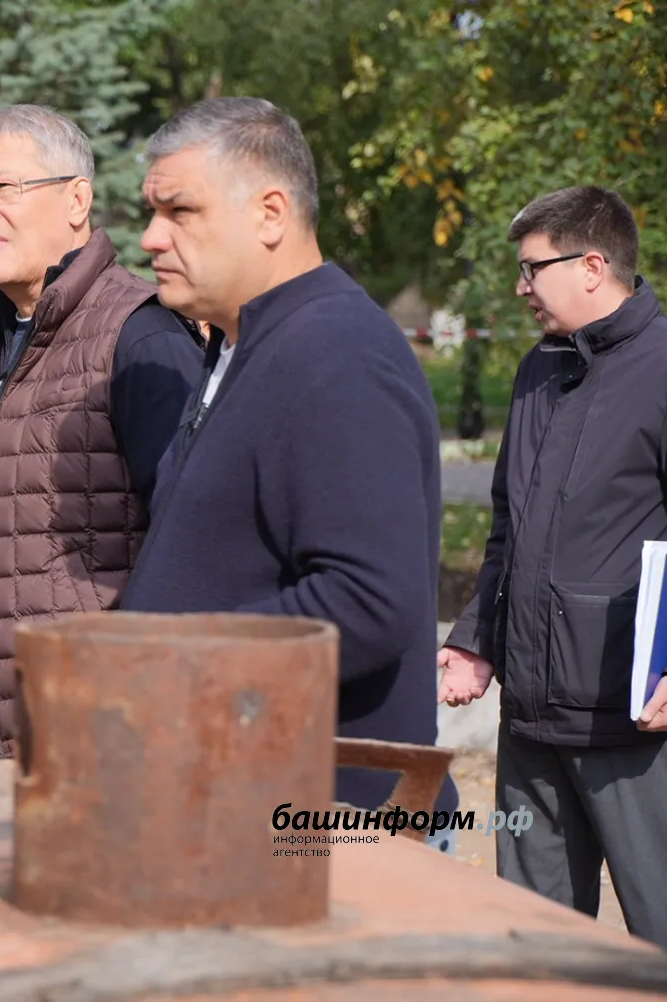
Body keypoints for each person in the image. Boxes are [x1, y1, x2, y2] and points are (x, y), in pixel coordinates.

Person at [120, 97, 457, 825]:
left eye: (180, 211)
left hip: (320, 825)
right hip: (236, 799)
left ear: (270, 214)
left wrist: (174, 656)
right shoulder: (242, 342)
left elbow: (371, 599)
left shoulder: (337, 354)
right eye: (152, 211)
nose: (151, 237)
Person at [0, 105, 205, 760]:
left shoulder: (138, 335)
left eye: (4, 187)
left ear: (77, 200)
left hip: (99, 737)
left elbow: (192, 550)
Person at [439, 186, 667, 949]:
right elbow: (508, 528)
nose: (521, 288)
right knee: (535, 948)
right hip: (531, 722)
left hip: (635, 728)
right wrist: (476, 639)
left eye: (532, 268)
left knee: (665, 940)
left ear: (593, 266)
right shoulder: (537, 372)